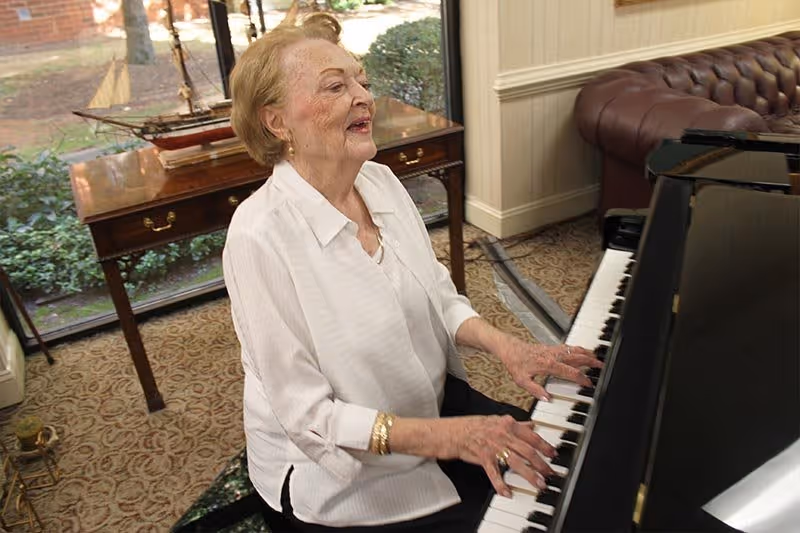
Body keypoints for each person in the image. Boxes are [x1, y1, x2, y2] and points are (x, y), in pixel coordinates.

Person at [222, 12, 601, 532]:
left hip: (434, 407)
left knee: (579, 468)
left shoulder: (377, 181)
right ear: (278, 122)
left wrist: (508, 347)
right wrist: (453, 438)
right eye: (336, 86)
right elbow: (310, 417)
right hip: (343, 476)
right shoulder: (257, 236)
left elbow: (438, 297)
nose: (362, 96)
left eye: (362, 81)